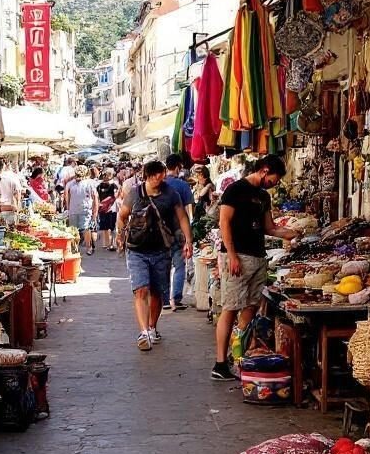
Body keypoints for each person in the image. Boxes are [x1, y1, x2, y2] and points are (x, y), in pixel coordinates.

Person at [212, 155, 299, 380]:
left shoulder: (263, 197)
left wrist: (292, 234)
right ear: (264, 169)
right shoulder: (235, 190)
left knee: (250, 307)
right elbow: (224, 223)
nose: (275, 183)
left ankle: (238, 353)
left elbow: (269, 227)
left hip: (258, 258)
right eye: (274, 178)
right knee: (230, 308)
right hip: (237, 256)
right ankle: (220, 363)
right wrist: (231, 255)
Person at [117, 161, 192, 351]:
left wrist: (188, 241)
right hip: (137, 250)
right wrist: (121, 234)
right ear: (148, 176)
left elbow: (182, 217)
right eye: (156, 174)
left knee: (157, 292)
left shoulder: (171, 194)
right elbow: (122, 215)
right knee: (141, 289)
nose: (160, 177)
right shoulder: (135, 193)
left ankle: (152, 328)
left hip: (162, 250)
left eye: (162, 173)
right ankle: (143, 333)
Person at [164, 155, 196, 311]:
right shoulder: (183, 186)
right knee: (179, 266)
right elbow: (189, 211)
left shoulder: (159, 184)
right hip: (178, 231)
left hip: (160, 233)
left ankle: (163, 299)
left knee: (163, 266)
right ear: (178, 167)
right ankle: (176, 298)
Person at [63, 164, 99, 254]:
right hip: (78, 210)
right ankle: (78, 248)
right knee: (77, 230)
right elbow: (67, 197)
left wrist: (95, 212)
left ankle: (86, 247)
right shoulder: (72, 184)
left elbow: (95, 198)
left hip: (84, 210)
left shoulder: (87, 184)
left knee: (83, 229)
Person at [0, 158, 23, 225]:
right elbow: (18, 194)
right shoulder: (12, 179)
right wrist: (18, 207)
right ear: (3, 167)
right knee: (10, 232)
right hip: (9, 210)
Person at [95, 167, 119, 253]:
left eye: (107, 174)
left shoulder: (113, 184)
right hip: (106, 209)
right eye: (105, 174)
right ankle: (108, 243)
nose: (106, 176)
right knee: (107, 227)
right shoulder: (101, 185)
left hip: (109, 208)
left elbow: (115, 196)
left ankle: (109, 243)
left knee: (109, 227)